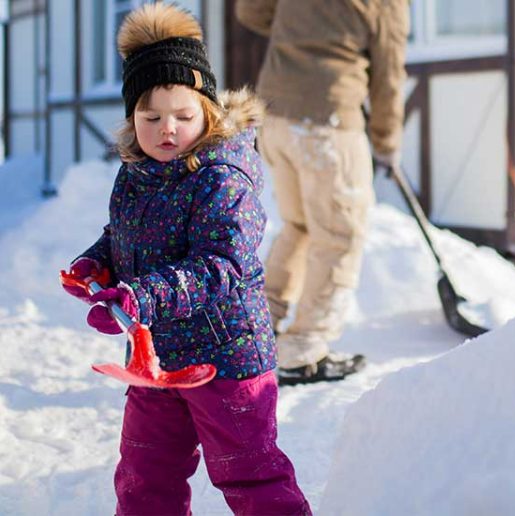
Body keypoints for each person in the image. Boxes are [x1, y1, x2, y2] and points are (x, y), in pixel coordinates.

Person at [60, 3, 310, 515]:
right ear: (132, 118)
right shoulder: (137, 172)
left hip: (226, 359)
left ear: (209, 113)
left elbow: (223, 263)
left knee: (249, 473)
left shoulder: (223, 178)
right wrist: (97, 264)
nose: (166, 129)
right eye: (150, 117)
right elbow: (123, 234)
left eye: (183, 115)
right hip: (155, 362)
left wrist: (141, 296)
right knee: (144, 475)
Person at [235, 0, 410, 385]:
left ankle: (252, 331)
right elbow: (389, 74)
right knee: (339, 236)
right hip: (326, 121)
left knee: (299, 225)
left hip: (276, 115)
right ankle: (302, 352)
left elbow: (250, 12)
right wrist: (386, 140)